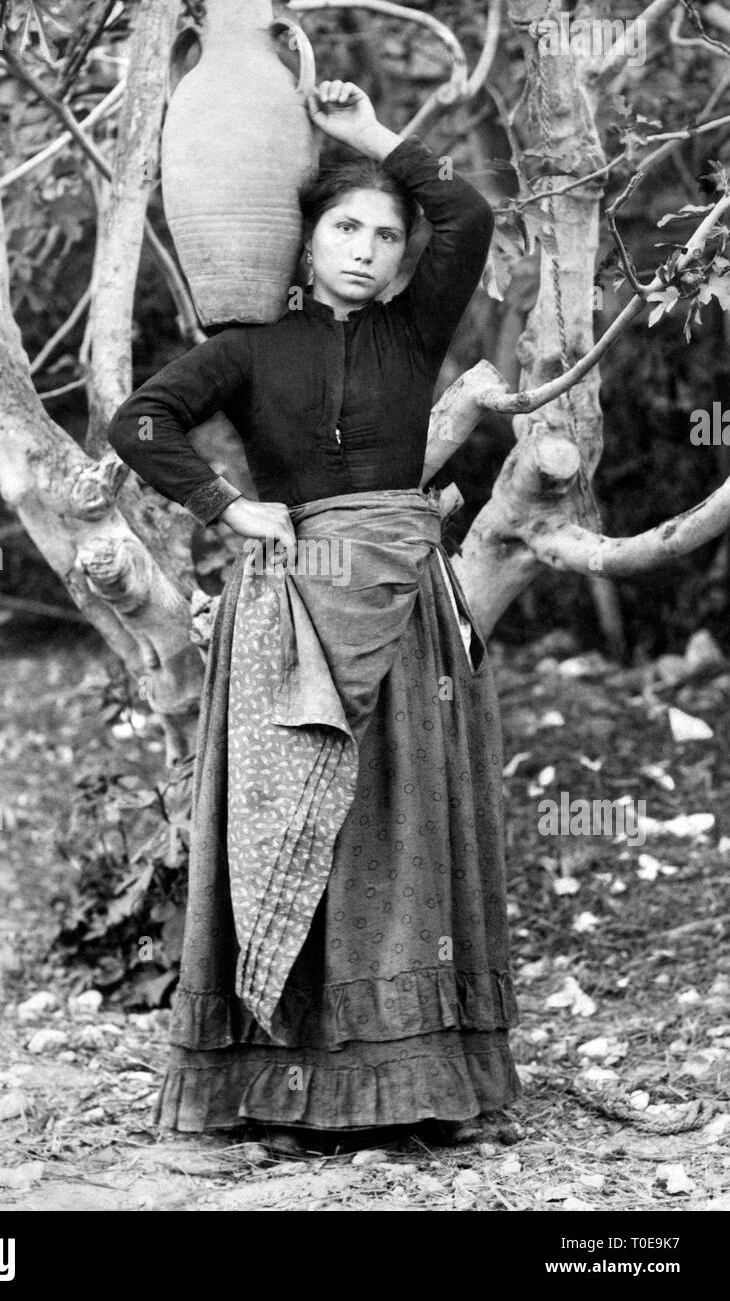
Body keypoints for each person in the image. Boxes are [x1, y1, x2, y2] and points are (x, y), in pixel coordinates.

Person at [108, 79, 520, 1148]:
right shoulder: (249, 347)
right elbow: (140, 418)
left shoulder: (410, 333)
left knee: (407, 825)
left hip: (404, 612)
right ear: (303, 242)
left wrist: (372, 137)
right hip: (290, 615)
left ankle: (431, 1084)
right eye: (345, 226)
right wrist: (224, 503)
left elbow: (466, 215)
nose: (369, 250)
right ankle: (288, 1088)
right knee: (303, 830)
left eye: (386, 234)